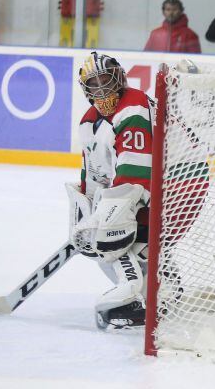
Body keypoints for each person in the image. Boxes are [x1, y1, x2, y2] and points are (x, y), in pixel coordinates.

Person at [65, 52, 154, 329]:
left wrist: (104, 218)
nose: (102, 89)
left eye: (107, 80)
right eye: (94, 84)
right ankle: (161, 291)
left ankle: (137, 299)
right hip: (149, 186)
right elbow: (94, 175)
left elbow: (136, 171)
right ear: (86, 90)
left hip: (181, 184)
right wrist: (87, 211)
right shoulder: (88, 123)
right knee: (104, 242)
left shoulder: (134, 105)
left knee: (113, 239)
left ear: (120, 79)